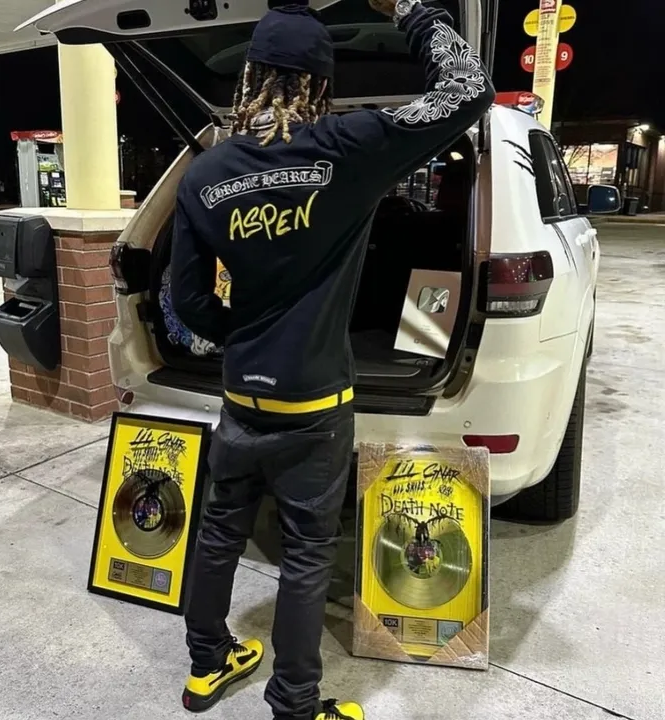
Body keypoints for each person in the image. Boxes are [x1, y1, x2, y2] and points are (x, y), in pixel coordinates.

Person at [170, 0, 495, 718]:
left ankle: (206, 665)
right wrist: (412, 11)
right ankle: (295, 703)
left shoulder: (204, 175)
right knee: (306, 553)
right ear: (321, 83)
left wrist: (243, 334)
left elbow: (188, 302)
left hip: (240, 396)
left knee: (219, 532)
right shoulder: (352, 145)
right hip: (313, 404)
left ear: (250, 76)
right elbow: (469, 88)